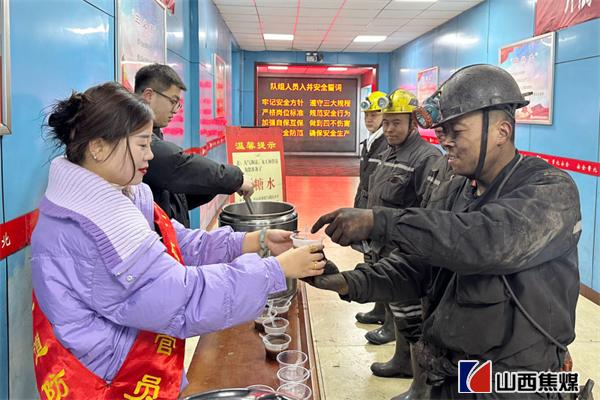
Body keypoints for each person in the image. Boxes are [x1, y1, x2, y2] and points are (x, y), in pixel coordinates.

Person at [31, 81, 326, 398]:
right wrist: (275, 271)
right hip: (111, 380)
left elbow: (175, 243)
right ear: (98, 147)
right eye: (142, 144)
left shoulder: (118, 196)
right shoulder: (96, 227)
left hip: (129, 361)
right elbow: (182, 298)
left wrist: (256, 240)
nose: (150, 154)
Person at [308, 64, 582, 399]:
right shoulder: (456, 189)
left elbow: (483, 241)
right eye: (442, 133)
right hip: (453, 374)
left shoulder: (551, 191)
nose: (445, 143)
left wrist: (380, 221)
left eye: (456, 132)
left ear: (502, 131)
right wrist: (348, 282)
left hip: (516, 382)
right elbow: (420, 265)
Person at [360, 89, 441, 381]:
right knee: (396, 308)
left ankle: (418, 379)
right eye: (386, 122)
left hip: (406, 254)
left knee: (412, 318)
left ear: (412, 124)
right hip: (383, 247)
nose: (389, 129)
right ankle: (402, 360)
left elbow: (430, 212)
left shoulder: (427, 158)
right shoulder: (388, 152)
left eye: (396, 123)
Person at [134, 64, 254, 228]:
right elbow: (177, 164)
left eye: (178, 103)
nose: (175, 110)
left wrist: (220, 185)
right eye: (173, 101)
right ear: (149, 95)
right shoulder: (132, 133)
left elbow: (177, 197)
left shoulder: (153, 132)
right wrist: (234, 178)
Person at [354, 90, 389, 326]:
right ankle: (379, 309)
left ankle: (387, 317)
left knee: (383, 262)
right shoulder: (371, 141)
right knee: (372, 259)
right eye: (367, 114)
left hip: (379, 213)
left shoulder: (386, 143)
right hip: (367, 209)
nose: (369, 119)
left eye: (374, 114)